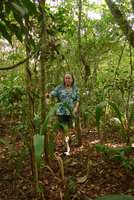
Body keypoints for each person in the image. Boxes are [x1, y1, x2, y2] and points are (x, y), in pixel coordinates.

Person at [45, 73, 80, 155]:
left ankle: (69, 144)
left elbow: (77, 99)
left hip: (70, 112)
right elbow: (52, 95)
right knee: (62, 129)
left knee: (71, 129)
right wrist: (48, 96)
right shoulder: (59, 88)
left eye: (69, 78)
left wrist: (76, 107)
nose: (67, 80)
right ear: (64, 80)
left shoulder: (75, 89)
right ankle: (66, 145)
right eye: (66, 78)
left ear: (72, 80)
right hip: (61, 112)